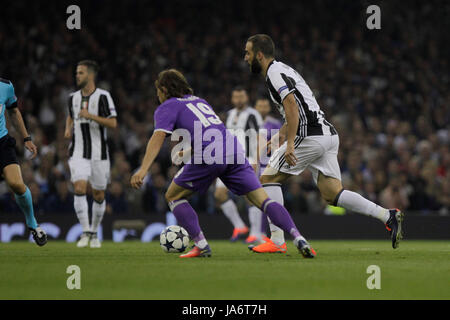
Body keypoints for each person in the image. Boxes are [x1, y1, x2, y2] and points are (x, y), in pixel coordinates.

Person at [130, 69, 315, 258]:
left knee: (173, 196)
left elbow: (158, 136)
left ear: (163, 89)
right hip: (233, 151)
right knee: (264, 200)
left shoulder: (167, 106)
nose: (157, 95)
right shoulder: (199, 101)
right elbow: (213, 132)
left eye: (158, 91)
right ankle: (298, 237)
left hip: (209, 156)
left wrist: (143, 169)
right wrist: (191, 150)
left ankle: (201, 245)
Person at [244, 34, 404, 253]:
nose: (245, 58)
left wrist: (290, 143)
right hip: (327, 134)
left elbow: (292, 107)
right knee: (332, 193)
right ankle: (387, 215)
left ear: (259, 55)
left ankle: (277, 240)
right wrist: (279, 138)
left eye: (248, 53)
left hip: (309, 135)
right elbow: (297, 109)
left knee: (267, 179)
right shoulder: (284, 70)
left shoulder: (273, 73)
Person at [64, 60, 118, 248]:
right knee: (79, 187)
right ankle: (85, 232)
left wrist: (91, 116)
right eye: (76, 72)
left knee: (99, 194)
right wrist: (68, 128)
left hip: (99, 153)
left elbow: (113, 123)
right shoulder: (72, 97)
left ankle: (94, 232)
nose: (77, 76)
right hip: (78, 151)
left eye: (80, 73)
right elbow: (71, 114)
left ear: (91, 75)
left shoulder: (103, 97)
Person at [214, 87, 264, 244]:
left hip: (246, 157)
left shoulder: (253, 114)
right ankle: (240, 226)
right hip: (227, 159)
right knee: (219, 194)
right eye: (236, 97)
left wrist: (255, 160)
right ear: (232, 98)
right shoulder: (229, 114)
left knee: (250, 195)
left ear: (246, 97)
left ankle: (256, 233)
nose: (238, 99)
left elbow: (259, 138)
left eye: (241, 96)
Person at [0, 77, 47, 246]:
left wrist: (26, 138)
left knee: (17, 184)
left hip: (2, 143)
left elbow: (13, 111)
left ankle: (32, 223)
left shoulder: (5, 86)